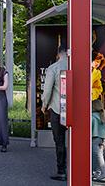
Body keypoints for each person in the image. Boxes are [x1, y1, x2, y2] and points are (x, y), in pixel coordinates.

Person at [40, 48, 69, 181]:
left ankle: (61, 171)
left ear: (58, 55)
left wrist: (44, 105)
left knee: (59, 141)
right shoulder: (76, 64)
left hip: (58, 109)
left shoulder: (54, 68)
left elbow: (47, 90)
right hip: (76, 110)